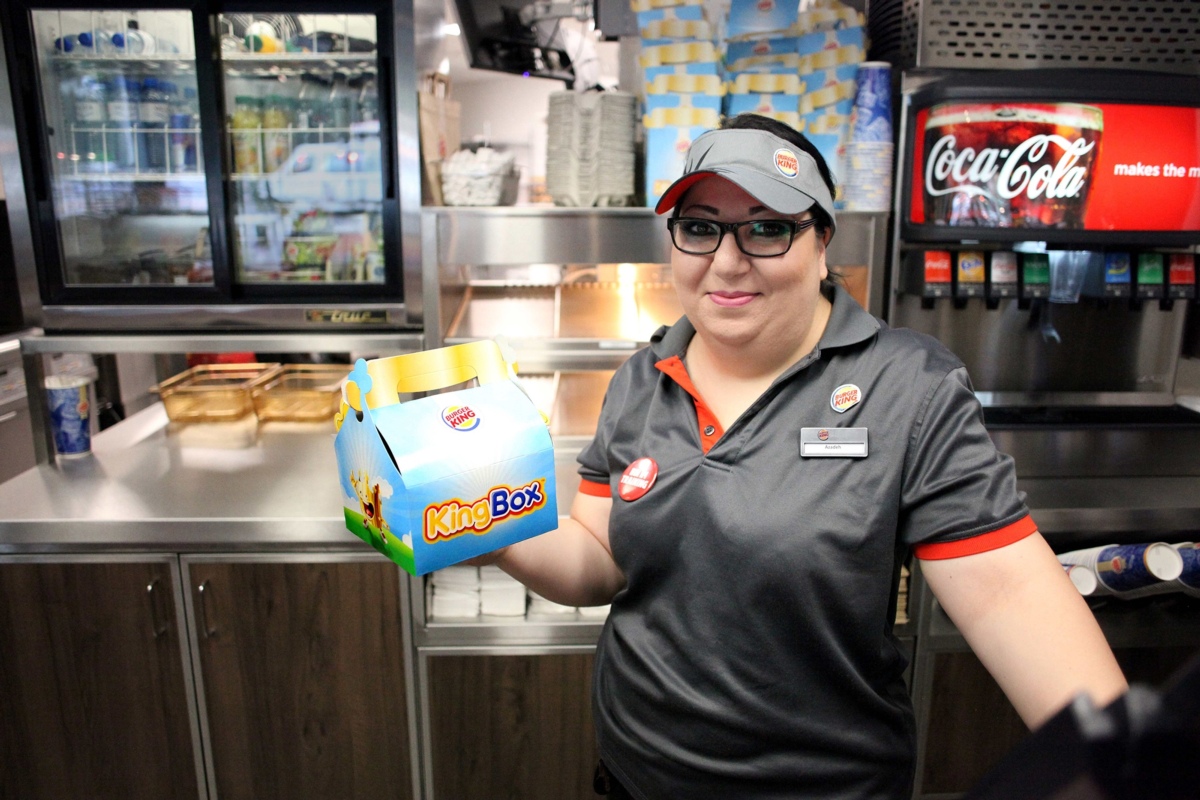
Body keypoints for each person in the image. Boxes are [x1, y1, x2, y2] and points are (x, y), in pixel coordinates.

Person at [473, 113, 1128, 799]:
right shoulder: (644, 376)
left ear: (822, 245)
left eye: (766, 228)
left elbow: (1006, 592)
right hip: (635, 773)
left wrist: (1119, 764)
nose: (728, 261)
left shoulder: (907, 388)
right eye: (700, 227)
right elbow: (600, 557)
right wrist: (487, 525)